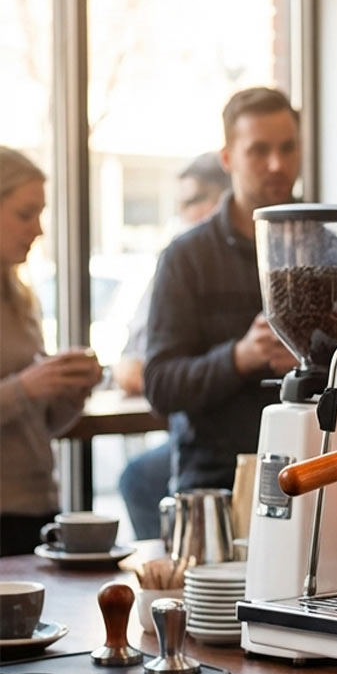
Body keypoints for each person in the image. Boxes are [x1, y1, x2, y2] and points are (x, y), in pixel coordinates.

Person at [142, 88, 299, 493]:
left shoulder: (328, 248)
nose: (277, 164)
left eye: (287, 148)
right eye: (259, 150)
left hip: (313, 472)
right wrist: (239, 357)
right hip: (213, 484)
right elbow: (160, 385)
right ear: (227, 158)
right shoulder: (186, 258)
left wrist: (310, 361)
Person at [115, 152, 230, 538]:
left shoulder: (220, 259)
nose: (183, 213)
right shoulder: (181, 258)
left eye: (192, 200)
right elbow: (134, 368)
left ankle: (167, 562)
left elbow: (142, 372)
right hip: (192, 433)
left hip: (215, 444)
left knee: (139, 478)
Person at [0, 148, 104, 556]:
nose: (39, 230)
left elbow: (39, 424)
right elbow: (22, 394)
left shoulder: (21, 297)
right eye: (26, 214)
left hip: (36, 506)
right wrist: (26, 387)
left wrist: (70, 389)